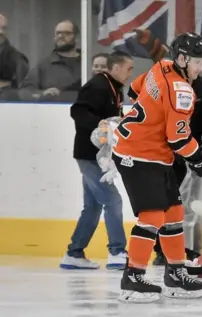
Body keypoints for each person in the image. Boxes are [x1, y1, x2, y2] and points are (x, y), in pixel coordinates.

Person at [112, 32, 202, 303]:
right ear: (181, 58)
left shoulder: (160, 67)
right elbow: (178, 138)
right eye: (197, 62)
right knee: (153, 215)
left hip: (154, 154)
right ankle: (132, 277)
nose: (200, 68)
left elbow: (134, 90)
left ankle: (175, 273)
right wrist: (199, 157)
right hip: (138, 154)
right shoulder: (182, 91)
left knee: (174, 212)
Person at [61, 51, 134, 271]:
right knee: (113, 201)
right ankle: (117, 251)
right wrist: (101, 124)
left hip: (97, 156)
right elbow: (78, 111)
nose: (130, 73)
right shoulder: (97, 86)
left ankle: (74, 253)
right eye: (128, 68)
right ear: (115, 68)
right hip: (89, 156)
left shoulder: (112, 87)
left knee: (92, 206)